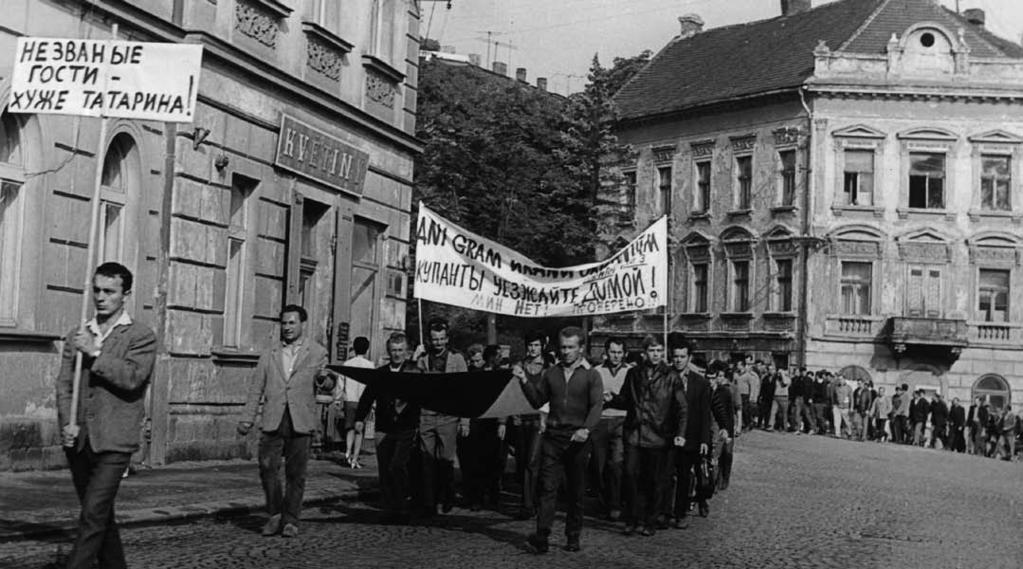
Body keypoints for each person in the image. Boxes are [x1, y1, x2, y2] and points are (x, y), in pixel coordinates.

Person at [55, 262, 156, 569]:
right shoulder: (79, 333)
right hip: (79, 438)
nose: (101, 297)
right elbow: (64, 385)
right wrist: (66, 424)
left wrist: (96, 353)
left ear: (125, 294)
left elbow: (132, 378)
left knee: (93, 514)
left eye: (109, 291)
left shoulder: (141, 335)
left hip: (115, 441)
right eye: (97, 290)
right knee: (99, 515)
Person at [238, 304, 331, 538]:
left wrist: (324, 379)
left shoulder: (317, 352)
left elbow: (329, 384)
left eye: (292, 322)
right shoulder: (269, 353)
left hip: (300, 419)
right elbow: (256, 388)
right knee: (267, 467)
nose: (287, 327)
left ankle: (291, 520)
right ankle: (274, 513)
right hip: (273, 418)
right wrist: (247, 417)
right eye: (284, 323)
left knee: (296, 473)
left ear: (302, 324)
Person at [516, 327, 602, 554]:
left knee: (575, 490)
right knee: (547, 488)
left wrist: (586, 428)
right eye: (563, 347)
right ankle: (542, 535)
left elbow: (596, 406)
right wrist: (524, 380)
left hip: (578, 440)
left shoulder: (591, 375)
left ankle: (572, 536)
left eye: (571, 347)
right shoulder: (551, 373)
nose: (566, 352)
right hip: (553, 438)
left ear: (581, 348)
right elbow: (537, 401)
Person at [610, 335, 686, 537]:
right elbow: (626, 400)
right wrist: (612, 399)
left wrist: (680, 433)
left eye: (660, 351)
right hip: (635, 433)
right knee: (630, 475)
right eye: (652, 350)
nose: (656, 355)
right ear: (645, 353)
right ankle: (632, 519)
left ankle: (650, 520)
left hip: (658, 436)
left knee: (654, 481)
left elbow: (682, 408)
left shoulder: (671, 376)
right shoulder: (634, 373)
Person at [354, 332, 421, 523]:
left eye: (400, 350)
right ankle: (389, 506)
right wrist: (360, 418)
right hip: (383, 427)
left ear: (406, 352)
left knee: (398, 465)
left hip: (406, 427)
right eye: (393, 351)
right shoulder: (381, 373)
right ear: (388, 352)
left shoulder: (413, 373)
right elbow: (368, 396)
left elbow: (422, 397)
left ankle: (402, 504)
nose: (397, 354)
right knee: (384, 468)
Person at [415, 318, 469, 516]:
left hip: (448, 417)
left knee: (446, 461)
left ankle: (446, 497)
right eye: (434, 339)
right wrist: (415, 360)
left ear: (447, 339)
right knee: (427, 462)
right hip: (426, 416)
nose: (437, 343)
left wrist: (465, 420)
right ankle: (429, 501)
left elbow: (465, 391)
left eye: (440, 339)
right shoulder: (423, 358)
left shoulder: (457, 359)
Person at [665, 337, 711, 529]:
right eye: (675, 356)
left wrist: (704, 439)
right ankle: (663, 511)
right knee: (665, 476)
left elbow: (704, 413)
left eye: (682, 356)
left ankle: (681, 513)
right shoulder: (664, 377)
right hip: (666, 435)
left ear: (689, 358)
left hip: (690, 437)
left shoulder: (700, 383)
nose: (678, 360)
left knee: (684, 477)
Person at [592, 337, 631, 521]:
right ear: (606, 352)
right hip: (600, 422)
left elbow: (632, 398)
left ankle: (615, 504)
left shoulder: (630, 372)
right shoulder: (596, 371)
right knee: (599, 465)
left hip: (622, 421)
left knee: (616, 464)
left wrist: (614, 398)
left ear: (624, 353)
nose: (616, 356)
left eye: (619, 352)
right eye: (613, 352)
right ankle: (601, 503)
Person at [510, 331, 547, 520]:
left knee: (533, 461)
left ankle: (529, 504)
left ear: (543, 346)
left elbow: (548, 395)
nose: (533, 349)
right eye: (530, 345)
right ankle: (529, 499)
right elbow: (513, 393)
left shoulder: (548, 367)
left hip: (539, 420)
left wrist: (545, 419)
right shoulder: (519, 366)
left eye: (536, 345)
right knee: (523, 461)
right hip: (521, 419)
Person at [336, 336, 373, 468]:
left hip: (349, 399)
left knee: (349, 428)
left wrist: (337, 399)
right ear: (367, 349)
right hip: (363, 401)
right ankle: (355, 459)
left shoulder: (347, 364)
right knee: (359, 430)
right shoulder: (370, 366)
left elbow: (340, 384)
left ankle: (347, 451)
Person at [708, 362, 736, 491]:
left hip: (723, 428)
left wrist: (729, 432)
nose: (716, 379)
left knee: (726, 454)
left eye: (719, 376)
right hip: (710, 429)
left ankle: (723, 479)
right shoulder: (705, 391)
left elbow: (729, 414)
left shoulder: (725, 392)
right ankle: (712, 483)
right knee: (713, 457)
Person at [734, 358, 758, 433]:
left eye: (739, 365)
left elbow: (752, 386)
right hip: (738, 394)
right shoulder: (736, 374)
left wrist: (752, 396)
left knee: (745, 410)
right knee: (738, 410)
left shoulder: (748, 375)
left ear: (743, 366)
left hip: (745, 394)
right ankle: (741, 424)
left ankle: (748, 424)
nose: (737, 366)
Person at [767, 363, 789, 432]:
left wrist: (782, 374)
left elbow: (785, 383)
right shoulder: (776, 379)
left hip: (784, 397)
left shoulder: (787, 378)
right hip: (776, 397)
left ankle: (784, 427)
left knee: (783, 413)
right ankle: (771, 426)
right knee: (773, 412)